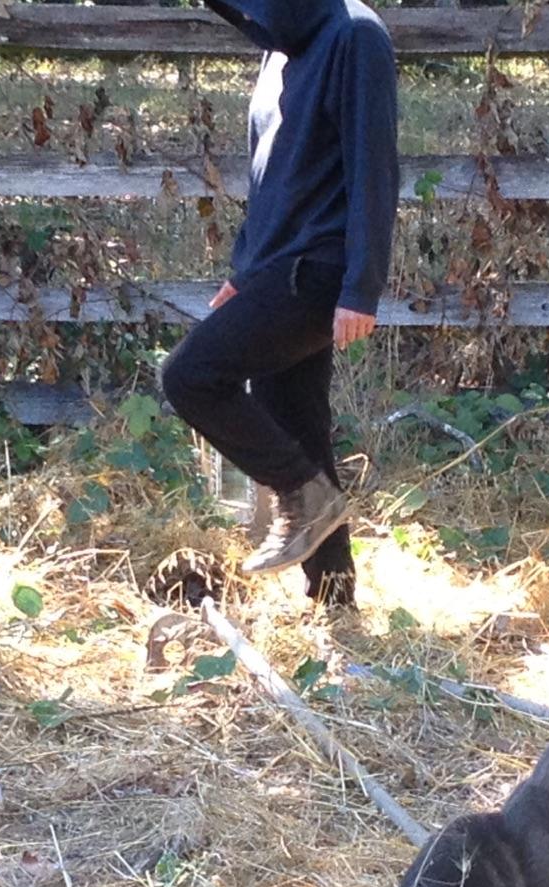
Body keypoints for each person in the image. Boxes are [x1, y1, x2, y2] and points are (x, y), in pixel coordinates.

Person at [158, 0, 398, 607]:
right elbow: (272, 175)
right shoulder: (279, 49)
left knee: (190, 377)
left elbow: (374, 169)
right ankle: (333, 601)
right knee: (296, 421)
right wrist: (246, 272)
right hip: (277, 268)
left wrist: (361, 287)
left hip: (319, 271)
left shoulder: (356, 37)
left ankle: (302, 495)